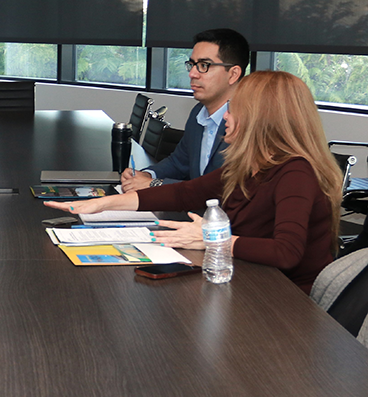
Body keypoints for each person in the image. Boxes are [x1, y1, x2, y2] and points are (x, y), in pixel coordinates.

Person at [48, 71, 343, 293]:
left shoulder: (296, 173)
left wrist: (213, 239)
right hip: (248, 280)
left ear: (260, 118)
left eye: (234, 108)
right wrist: (104, 204)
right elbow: (185, 194)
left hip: (287, 303)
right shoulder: (248, 165)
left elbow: (286, 252)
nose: (226, 116)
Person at [121, 28, 250, 192]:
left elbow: (224, 188)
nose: (193, 74)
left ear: (233, 74)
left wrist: (154, 184)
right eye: (192, 65)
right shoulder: (198, 112)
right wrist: (147, 174)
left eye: (204, 65)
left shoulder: (249, 122)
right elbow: (179, 163)